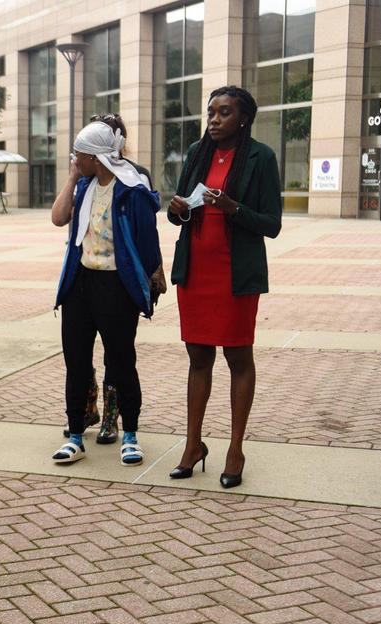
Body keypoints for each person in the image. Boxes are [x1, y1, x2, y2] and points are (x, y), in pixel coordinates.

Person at [165, 86, 282, 489]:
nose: (214, 119)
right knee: (198, 358)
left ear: (244, 118)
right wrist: (177, 210)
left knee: (237, 357)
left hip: (235, 275)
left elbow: (272, 223)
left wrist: (232, 208)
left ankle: (235, 448)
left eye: (224, 112)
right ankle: (193, 444)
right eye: (211, 112)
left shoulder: (261, 157)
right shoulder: (197, 152)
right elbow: (177, 214)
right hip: (195, 272)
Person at [50, 120, 162, 467]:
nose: (75, 159)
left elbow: (148, 241)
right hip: (80, 285)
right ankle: (74, 435)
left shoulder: (132, 188)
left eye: (79, 154)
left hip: (116, 286)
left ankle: (130, 434)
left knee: (121, 361)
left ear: (96, 157)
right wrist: (71, 178)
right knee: (76, 362)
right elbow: (58, 218)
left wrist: (151, 282)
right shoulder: (82, 187)